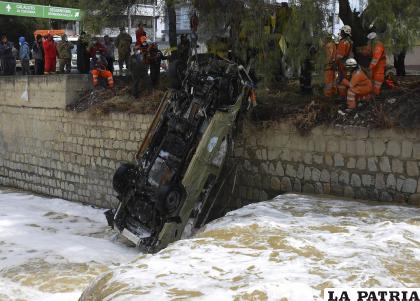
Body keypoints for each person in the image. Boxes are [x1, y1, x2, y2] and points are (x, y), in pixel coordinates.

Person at [367, 31, 386, 95]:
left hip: (380, 64)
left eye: (369, 40)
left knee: (378, 78)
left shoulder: (378, 45)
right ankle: (374, 93)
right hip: (376, 66)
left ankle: (376, 94)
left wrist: (370, 67)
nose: (368, 42)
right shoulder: (374, 45)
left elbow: (375, 58)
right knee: (373, 78)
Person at [336, 25, 353, 97]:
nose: (341, 32)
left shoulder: (343, 42)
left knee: (342, 80)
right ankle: (348, 95)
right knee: (347, 79)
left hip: (343, 64)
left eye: (342, 31)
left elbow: (340, 56)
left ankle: (343, 97)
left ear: (345, 32)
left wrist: (335, 63)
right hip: (348, 63)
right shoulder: (350, 41)